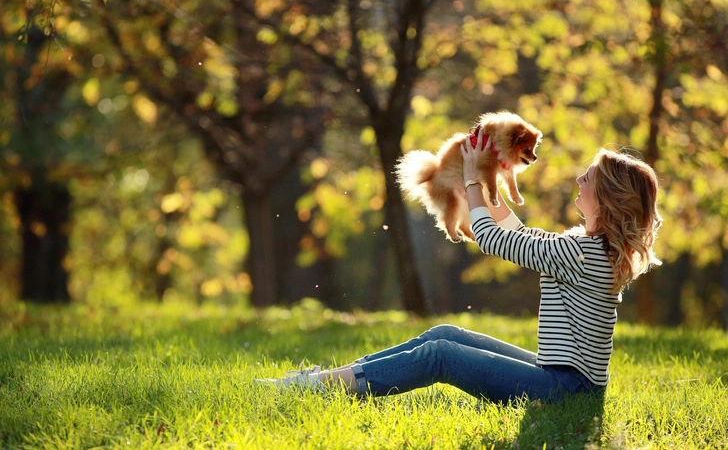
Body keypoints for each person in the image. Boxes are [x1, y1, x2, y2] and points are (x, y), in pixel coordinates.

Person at [255, 128, 663, 403]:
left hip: (565, 387)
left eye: (587, 178)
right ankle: (327, 380)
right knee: (446, 333)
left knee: (441, 355)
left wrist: (472, 180)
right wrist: (494, 183)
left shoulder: (585, 253)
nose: (578, 181)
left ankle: (317, 388)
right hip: (564, 378)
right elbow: (525, 238)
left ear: (606, 197)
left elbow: (492, 238)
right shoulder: (589, 246)